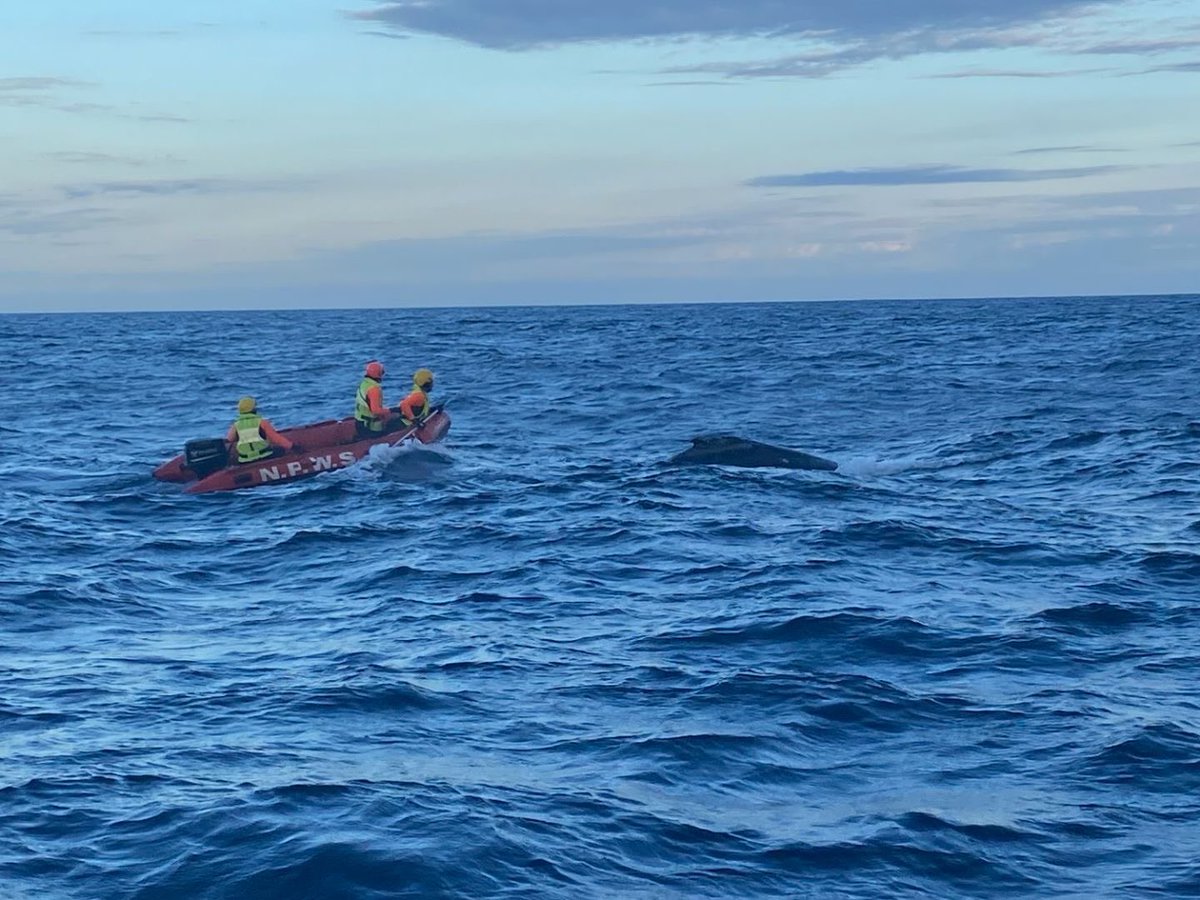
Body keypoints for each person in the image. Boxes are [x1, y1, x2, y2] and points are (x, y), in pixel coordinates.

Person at [227, 396, 295, 464]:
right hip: (264, 455)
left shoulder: (235, 425)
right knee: (280, 450)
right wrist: (292, 446)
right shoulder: (261, 422)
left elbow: (230, 439)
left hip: (245, 459)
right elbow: (276, 438)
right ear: (253, 409)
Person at [355, 360, 393, 436]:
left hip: (359, 421)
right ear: (378, 374)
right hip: (370, 426)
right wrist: (391, 410)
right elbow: (376, 410)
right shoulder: (374, 389)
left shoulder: (364, 384)